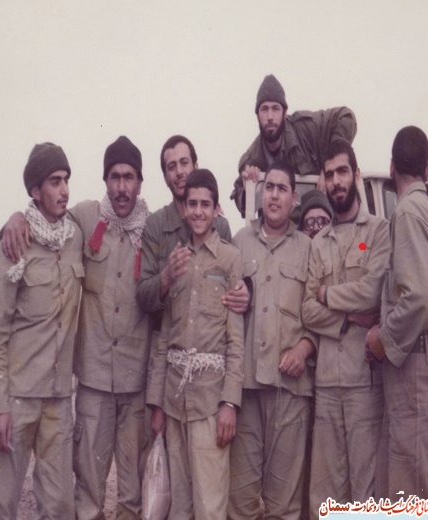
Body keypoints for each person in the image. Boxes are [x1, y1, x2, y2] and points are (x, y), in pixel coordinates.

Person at [0, 136, 153, 519]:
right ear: (105, 181)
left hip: (136, 387)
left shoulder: (154, 231)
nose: (122, 186)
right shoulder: (84, 218)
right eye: (114, 177)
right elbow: (43, 218)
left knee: (133, 495)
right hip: (92, 386)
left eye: (129, 177)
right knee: (87, 495)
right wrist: (14, 218)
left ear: (140, 181)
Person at [0, 143, 83, 519]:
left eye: (66, 180)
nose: (64, 190)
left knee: (59, 507)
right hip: (17, 398)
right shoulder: (15, 245)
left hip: (58, 399)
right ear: (35, 191)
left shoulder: (75, 237)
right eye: (55, 182)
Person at [146, 169, 244, 519]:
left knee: (210, 505)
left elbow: (236, 340)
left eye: (205, 204)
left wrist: (230, 402)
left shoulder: (230, 259)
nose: (198, 211)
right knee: (179, 507)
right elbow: (165, 338)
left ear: (216, 209)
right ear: (184, 209)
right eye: (192, 204)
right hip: (175, 403)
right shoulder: (177, 259)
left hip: (209, 404)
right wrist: (157, 403)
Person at [302, 139, 390, 515]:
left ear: (355, 174)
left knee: (365, 492)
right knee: (325, 497)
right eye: (329, 174)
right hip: (326, 385)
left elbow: (371, 292)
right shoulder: (318, 243)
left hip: (363, 386)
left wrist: (326, 294)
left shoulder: (378, 232)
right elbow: (307, 310)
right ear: (323, 181)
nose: (336, 181)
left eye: (342, 171)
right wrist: (349, 317)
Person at [366, 126, 428, 500]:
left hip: (414, 369)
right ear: (427, 170)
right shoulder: (427, 210)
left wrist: (382, 339)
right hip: (417, 366)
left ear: (391, 167)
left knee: (407, 502)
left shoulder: (407, 212)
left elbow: (417, 298)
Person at [228, 160, 316, 520]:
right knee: (241, 500)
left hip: (289, 391)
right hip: (246, 390)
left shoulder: (309, 248)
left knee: (284, 505)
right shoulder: (239, 242)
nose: (274, 195)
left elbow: (319, 313)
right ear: (260, 194)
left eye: (282, 189)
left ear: (294, 199)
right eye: (269, 187)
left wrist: (304, 349)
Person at [137, 135, 249, 326]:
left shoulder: (220, 226)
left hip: (210, 337)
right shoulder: (154, 225)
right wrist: (165, 278)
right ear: (165, 177)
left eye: (184, 163)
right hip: (167, 337)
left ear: (196, 166)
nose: (179, 172)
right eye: (172, 167)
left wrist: (245, 293)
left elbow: (233, 282)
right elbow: (142, 297)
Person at [230, 74, 357, 217]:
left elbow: (346, 117)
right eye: (264, 109)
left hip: (320, 220)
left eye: (275, 109)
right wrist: (249, 189)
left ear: (285, 113)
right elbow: (239, 198)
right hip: (280, 226)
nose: (270, 116)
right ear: (257, 116)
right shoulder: (251, 159)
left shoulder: (306, 129)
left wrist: (329, 165)